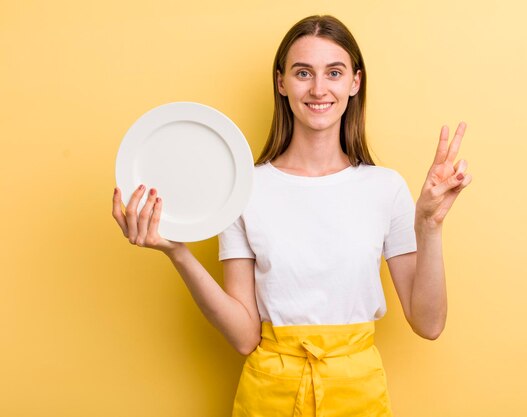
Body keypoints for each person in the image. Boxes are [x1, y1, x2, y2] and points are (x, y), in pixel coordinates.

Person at [112, 14, 472, 417]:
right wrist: (177, 252)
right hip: (269, 396)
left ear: (355, 82)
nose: (319, 89)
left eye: (333, 72)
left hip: (358, 396)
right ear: (281, 82)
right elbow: (245, 336)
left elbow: (428, 324)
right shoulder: (244, 189)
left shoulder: (385, 188)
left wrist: (429, 226)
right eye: (303, 73)